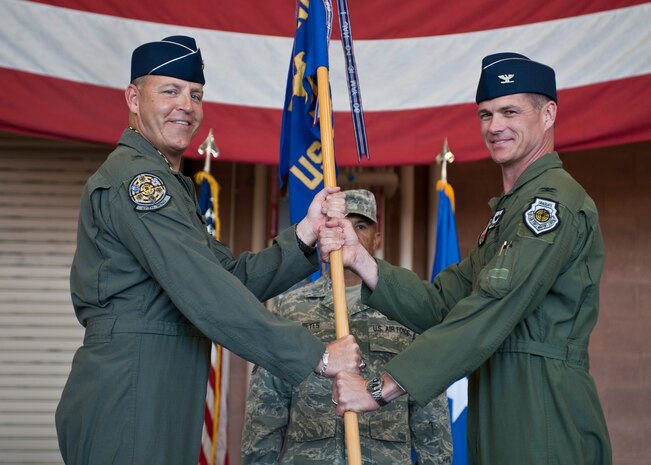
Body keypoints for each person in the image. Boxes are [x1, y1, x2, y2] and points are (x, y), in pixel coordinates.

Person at [55, 35, 361, 465]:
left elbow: (228, 279)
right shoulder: (138, 182)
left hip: (161, 381)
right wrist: (317, 355)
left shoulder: (170, 184)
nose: (186, 105)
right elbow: (204, 291)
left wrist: (305, 236)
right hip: (132, 383)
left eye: (195, 94)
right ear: (133, 97)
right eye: (169, 91)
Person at [319, 52, 612, 465]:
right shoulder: (510, 213)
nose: (495, 127)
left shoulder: (552, 204)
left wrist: (379, 387)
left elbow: (490, 310)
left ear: (547, 115)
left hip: (542, 408)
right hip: (498, 399)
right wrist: (360, 259)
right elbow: (443, 303)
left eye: (510, 111)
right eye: (485, 114)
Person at [241, 190, 452, 465]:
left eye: (360, 225)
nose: (347, 232)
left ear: (378, 238)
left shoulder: (406, 307)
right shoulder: (292, 308)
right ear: (321, 235)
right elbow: (266, 408)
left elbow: (429, 412)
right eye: (337, 223)